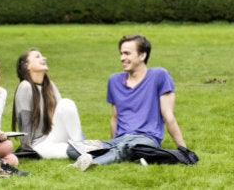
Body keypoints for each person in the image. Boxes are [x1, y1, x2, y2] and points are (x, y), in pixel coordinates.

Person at [69, 34, 188, 171]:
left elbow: (168, 116)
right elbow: (114, 117)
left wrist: (183, 149)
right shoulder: (114, 81)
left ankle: (93, 163)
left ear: (142, 55)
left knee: (127, 147)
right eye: (121, 53)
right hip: (120, 139)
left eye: (127, 53)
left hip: (145, 139)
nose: (122, 58)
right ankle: (127, 156)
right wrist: (112, 142)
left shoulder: (159, 75)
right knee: (72, 149)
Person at [11, 48, 85, 159]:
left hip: (54, 135)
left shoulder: (49, 86)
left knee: (66, 103)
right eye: (37, 56)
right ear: (27, 66)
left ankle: (81, 146)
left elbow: (64, 115)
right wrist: (27, 150)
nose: (43, 58)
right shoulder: (25, 87)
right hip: (39, 145)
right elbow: (25, 124)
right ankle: (82, 151)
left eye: (42, 56)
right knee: (67, 151)